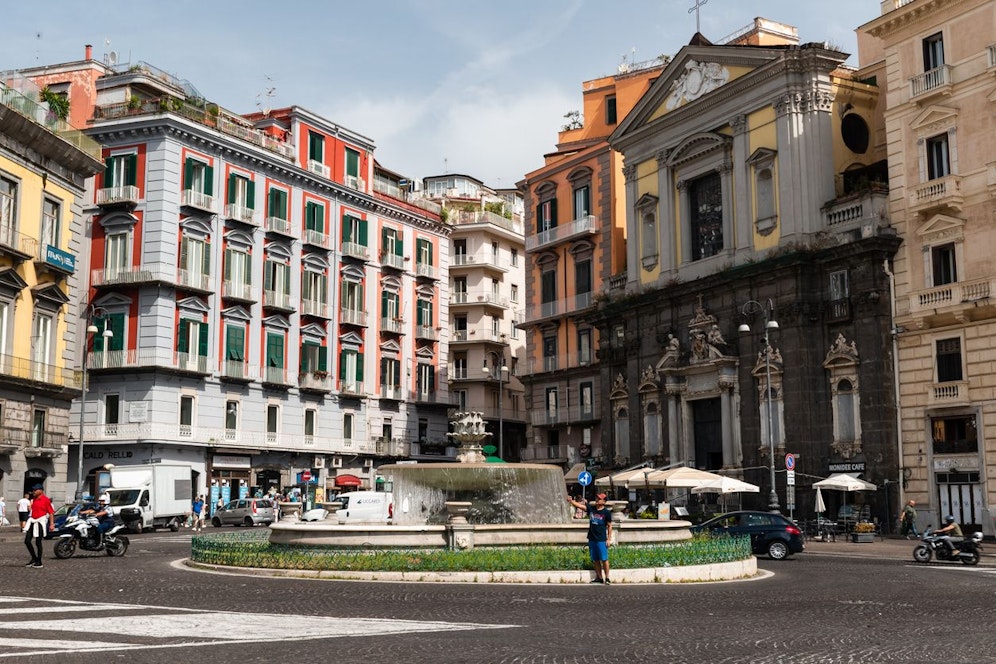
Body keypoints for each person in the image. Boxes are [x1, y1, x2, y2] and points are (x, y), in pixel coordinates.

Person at [567, 492, 613, 584]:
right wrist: (571, 501)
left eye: (599, 499)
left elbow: (610, 526)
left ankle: (607, 577)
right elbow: (581, 507)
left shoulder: (606, 513)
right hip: (592, 538)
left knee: (604, 559)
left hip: (601, 539)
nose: (597, 500)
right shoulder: (592, 509)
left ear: (604, 502)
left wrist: (608, 539)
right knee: (595, 559)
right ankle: (599, 578)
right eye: (596, 498)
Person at [23, 484, 55, 568]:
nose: (33, 492)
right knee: (27, 541)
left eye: (35, 490)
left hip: (40, 521)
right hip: (32, 521)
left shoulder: (46, 500)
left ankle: (39, 561)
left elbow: (51, 512)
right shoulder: (34, 499)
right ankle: (34, 558)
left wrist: (51, 524)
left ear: (40, 490)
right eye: (33, 490)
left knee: (38, 542)